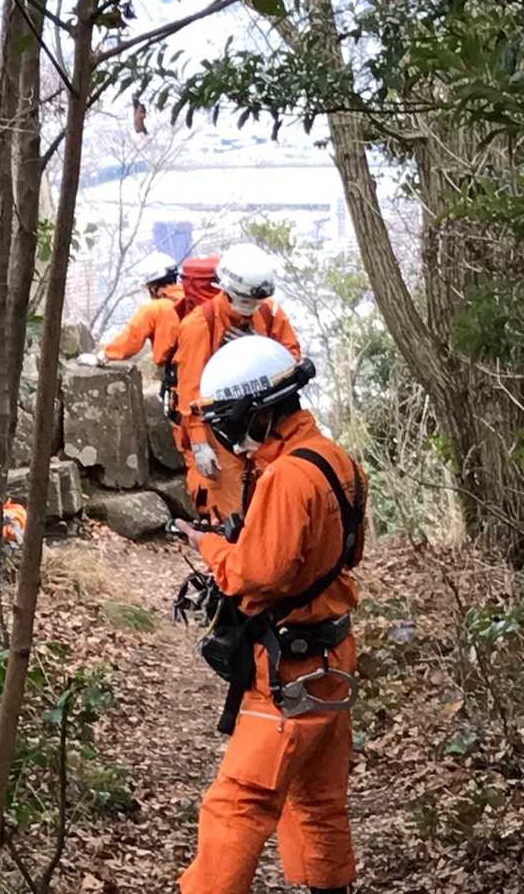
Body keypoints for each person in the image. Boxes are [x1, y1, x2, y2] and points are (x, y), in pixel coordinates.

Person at [176, 336, 366, 894]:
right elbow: (345, 551)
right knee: (320, 800)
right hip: (333, 658)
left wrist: (210, 547)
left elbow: (255, 577)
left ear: (255, 411)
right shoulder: (336, 459)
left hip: (290, 672)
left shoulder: (287, 477)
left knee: (238, 804)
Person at [174, 243, 300, 522]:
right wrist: (199, 443)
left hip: (263, 423)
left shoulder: (268, 314)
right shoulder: (200, 325)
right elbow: (190, 390)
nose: (249, 309)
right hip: (218, 428)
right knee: (231, 506)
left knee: (270, 500)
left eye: (255, 302)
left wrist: (259, 346)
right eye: (244, 301)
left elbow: (292, 360)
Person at [83, 251, 184, 367]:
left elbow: (131, 339)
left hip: (177, 370)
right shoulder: (188, 300)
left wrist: (103, 356)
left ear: (153, 286)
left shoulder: (155, 308)